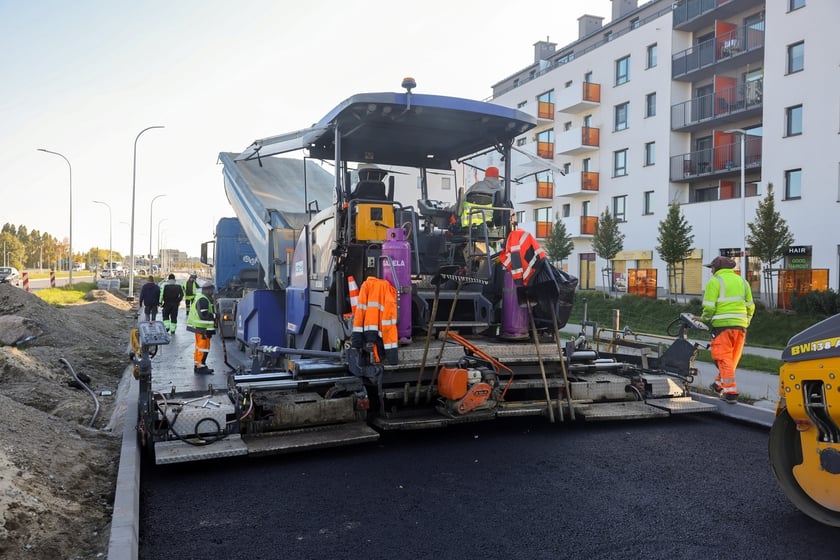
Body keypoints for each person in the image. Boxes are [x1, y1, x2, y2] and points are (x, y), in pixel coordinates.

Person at [701, 256, 755, 402]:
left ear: (717, 268)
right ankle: (719, 385)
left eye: (711, 268)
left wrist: (703, 319)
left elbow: (709, 307)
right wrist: (746, 321)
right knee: (731, 359)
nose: (711, 271)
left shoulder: (715, 282)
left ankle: (730, 392)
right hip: (741, 326)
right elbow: (750, 306)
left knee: (723, 357)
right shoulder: (743, 282)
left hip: (722, 326)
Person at [186, 281, 216, 374]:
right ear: (207, 290)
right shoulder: (203, 299)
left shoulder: (201, 297)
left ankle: (198, 364)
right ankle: (200, 367)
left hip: (201, 328)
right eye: (211, 290)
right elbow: (203, 314)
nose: (212, 292)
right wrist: (215, 316)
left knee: (200, 347)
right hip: (203, 329)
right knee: (203, 347)